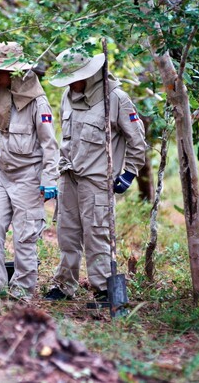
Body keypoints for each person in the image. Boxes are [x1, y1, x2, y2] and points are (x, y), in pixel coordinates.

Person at [43, 45, 147, 304]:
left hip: (97, 180)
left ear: (88, 75)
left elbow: (137, 140)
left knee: (97, 234)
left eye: (74, 78)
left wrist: (130, 173)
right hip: (68, 175)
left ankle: (103, 289)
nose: (71, 84)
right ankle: (64, 285)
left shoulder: (116, 98)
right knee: (67, 233)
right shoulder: (68, 96)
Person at [0, 41, 59, 300]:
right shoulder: (2, 94)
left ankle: (22, 292)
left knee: (24, 236)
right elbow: (4, 130)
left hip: (29, 177)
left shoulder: (37, 103)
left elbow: (50, 145)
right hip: (4, 174)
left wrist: (49, 180)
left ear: (13, 73)